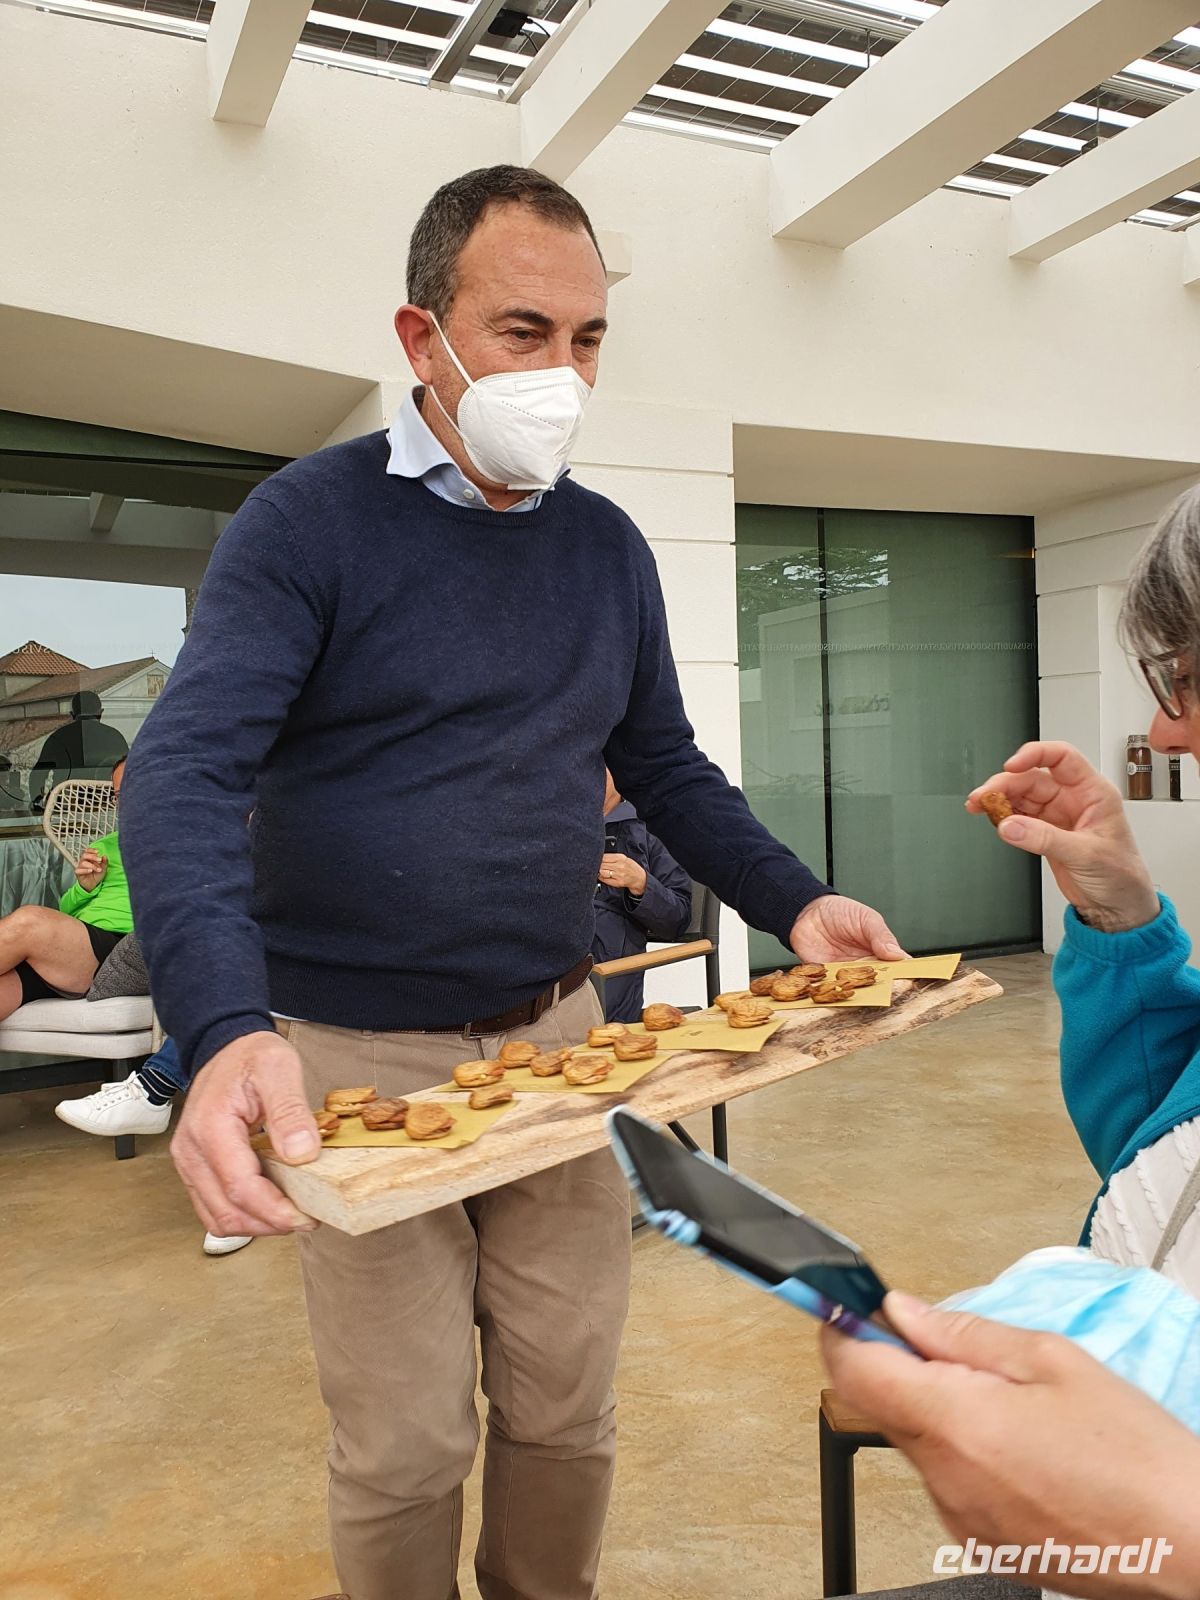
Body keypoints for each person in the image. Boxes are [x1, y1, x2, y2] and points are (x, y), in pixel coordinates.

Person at [120, 164, 904, 1600]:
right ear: (423, 339)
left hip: (557, 1039)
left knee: (565, 1413)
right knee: (407, 1445)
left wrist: (797, 902)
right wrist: (228, 1025)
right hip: (356, 1059)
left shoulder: (604, 549)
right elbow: (183, 777)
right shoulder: (306, 526)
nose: (563, 372)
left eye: (589, 338)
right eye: (523, 331)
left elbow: (666, 766)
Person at [0, 756, 131, 1021]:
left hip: (122, 945)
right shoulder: (106, 845)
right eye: (120, 795)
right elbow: (67, 912)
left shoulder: (185, 840)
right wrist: (85, 888)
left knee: (29, 922)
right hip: (75, 947)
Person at [593, 768, 692, 1021]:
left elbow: (677, 918)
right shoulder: (549, 826)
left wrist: (641, 883)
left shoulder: (650, 827)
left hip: (611, 981)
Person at [30, 689, 128, 806]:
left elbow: (37, 776)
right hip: (105, 806)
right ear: (101, 712)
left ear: (72, 714)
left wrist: (37, 803)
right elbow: (131, 773)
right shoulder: (115, 737)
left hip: (65, 808)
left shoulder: (58, 738)